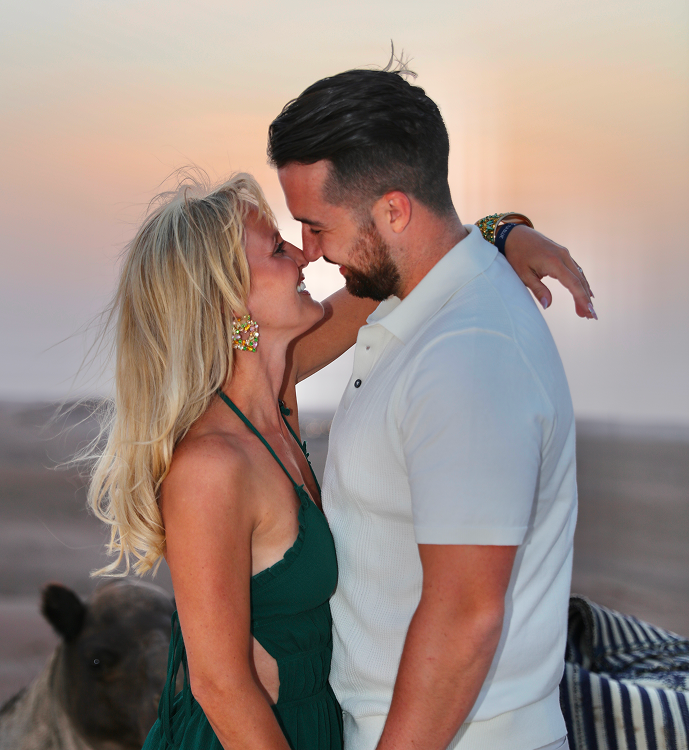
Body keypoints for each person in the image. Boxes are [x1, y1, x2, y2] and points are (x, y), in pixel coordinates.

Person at [87, 174, 587, 747]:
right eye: (277, 249)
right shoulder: (211, 467)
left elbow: (414, 264)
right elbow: (220, 685)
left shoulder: (275, 399)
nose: (304, 255)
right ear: (228, 299)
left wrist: (499, 234)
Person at [267, 64, 585, 750]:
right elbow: (269, 361)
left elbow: (466, 617)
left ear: (393, 211)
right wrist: (498, 230)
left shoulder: (466, 356)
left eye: (316, 226)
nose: (309, 253)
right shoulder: (409, 299)